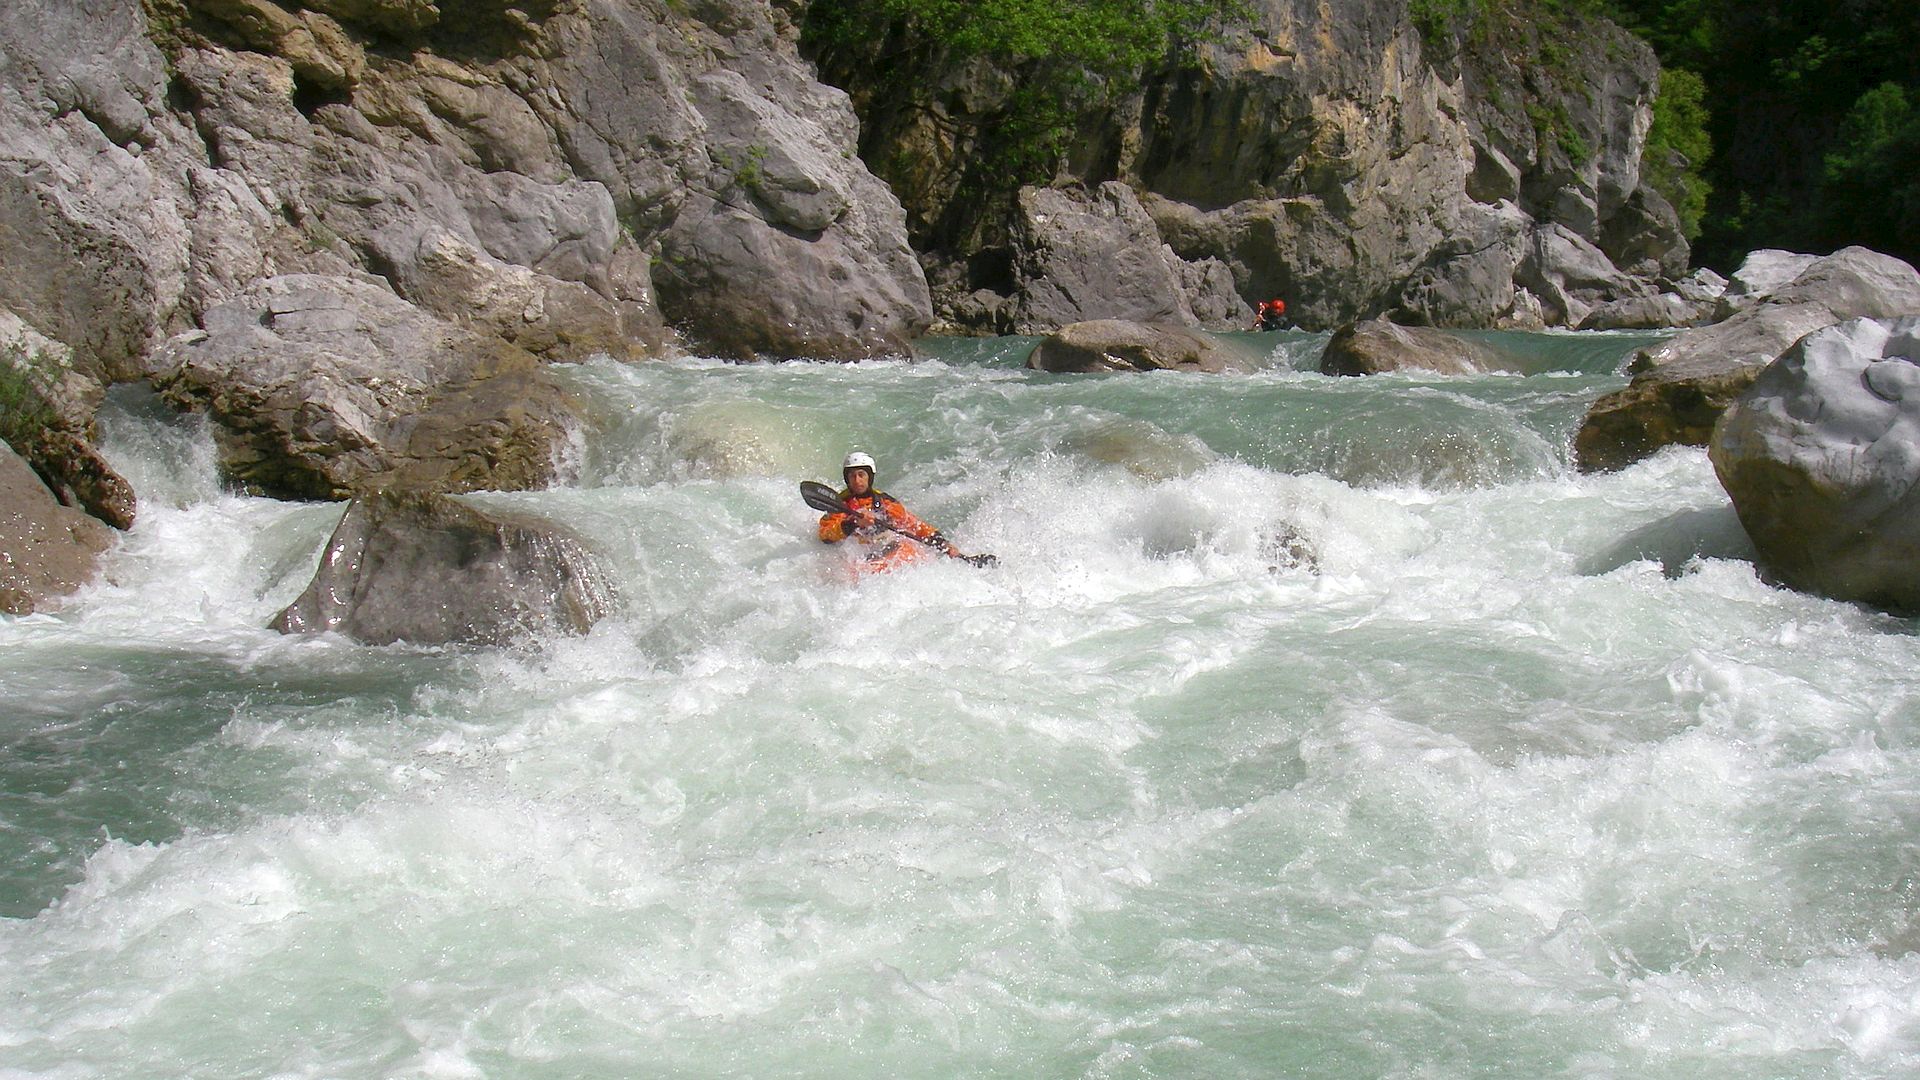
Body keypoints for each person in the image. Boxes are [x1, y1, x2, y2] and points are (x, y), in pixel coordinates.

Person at [819, 451, 984, 571]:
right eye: (852, 476)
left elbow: (916, 526)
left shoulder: (885, 503)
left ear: (870, 477)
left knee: (908, 551)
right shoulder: (839, 505)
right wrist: (854, 522)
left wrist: (944, 544)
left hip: (885, 551)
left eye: (861, 475)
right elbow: (826, 536)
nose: (857, 480)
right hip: (859, 557)